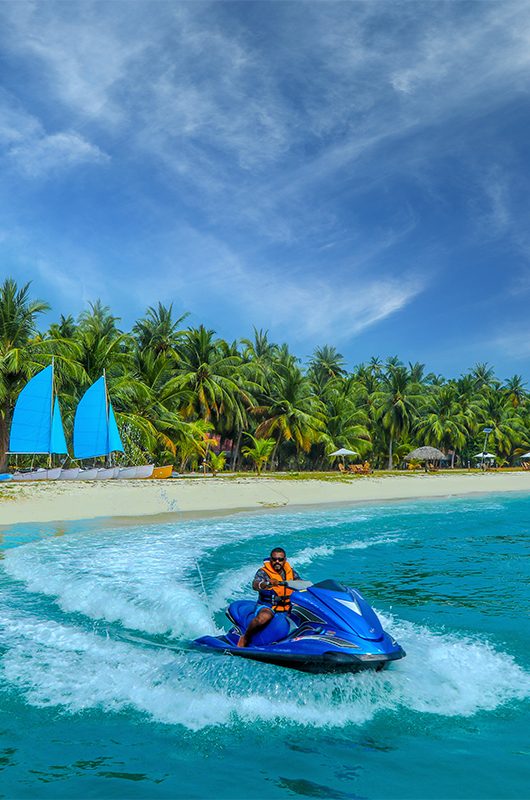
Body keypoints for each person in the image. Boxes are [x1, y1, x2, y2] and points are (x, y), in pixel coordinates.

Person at [237, 547, 302, 647]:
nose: (277, 562)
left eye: (280, 559)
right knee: (264, 617)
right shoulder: (263, 572)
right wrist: (266, 583)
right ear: (270, 559)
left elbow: (301, 585)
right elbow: (255, 585)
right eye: (274, 559)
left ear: (284, 560)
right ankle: (245, 637)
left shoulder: (291, 572)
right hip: (267, 606)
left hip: (287, 607)